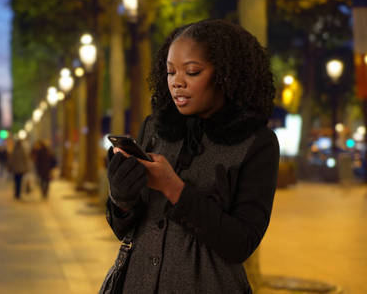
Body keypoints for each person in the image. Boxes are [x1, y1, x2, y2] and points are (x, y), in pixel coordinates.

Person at [105, 19, 280, 293]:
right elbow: (125, 230)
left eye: (192, 72)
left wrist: (173, 188)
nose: (177, 83)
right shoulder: (155, 128)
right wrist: (121, 198)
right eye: (170, 72)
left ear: (225, 75)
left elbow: (241, 243)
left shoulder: (257, 142)